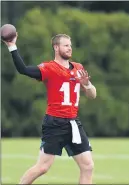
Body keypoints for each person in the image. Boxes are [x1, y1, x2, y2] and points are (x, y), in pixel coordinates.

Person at [3, 33, 96, 184]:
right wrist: (12, 46)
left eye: (70, 45)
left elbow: (93, 95)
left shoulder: (78, 68)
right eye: (66, 45)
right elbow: (24, 70)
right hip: (55, 123)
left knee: (88, 166)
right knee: (43, 167)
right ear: (56, 47)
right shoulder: (49, 68)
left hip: (73, 123)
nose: (69, 48)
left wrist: (87, 85)